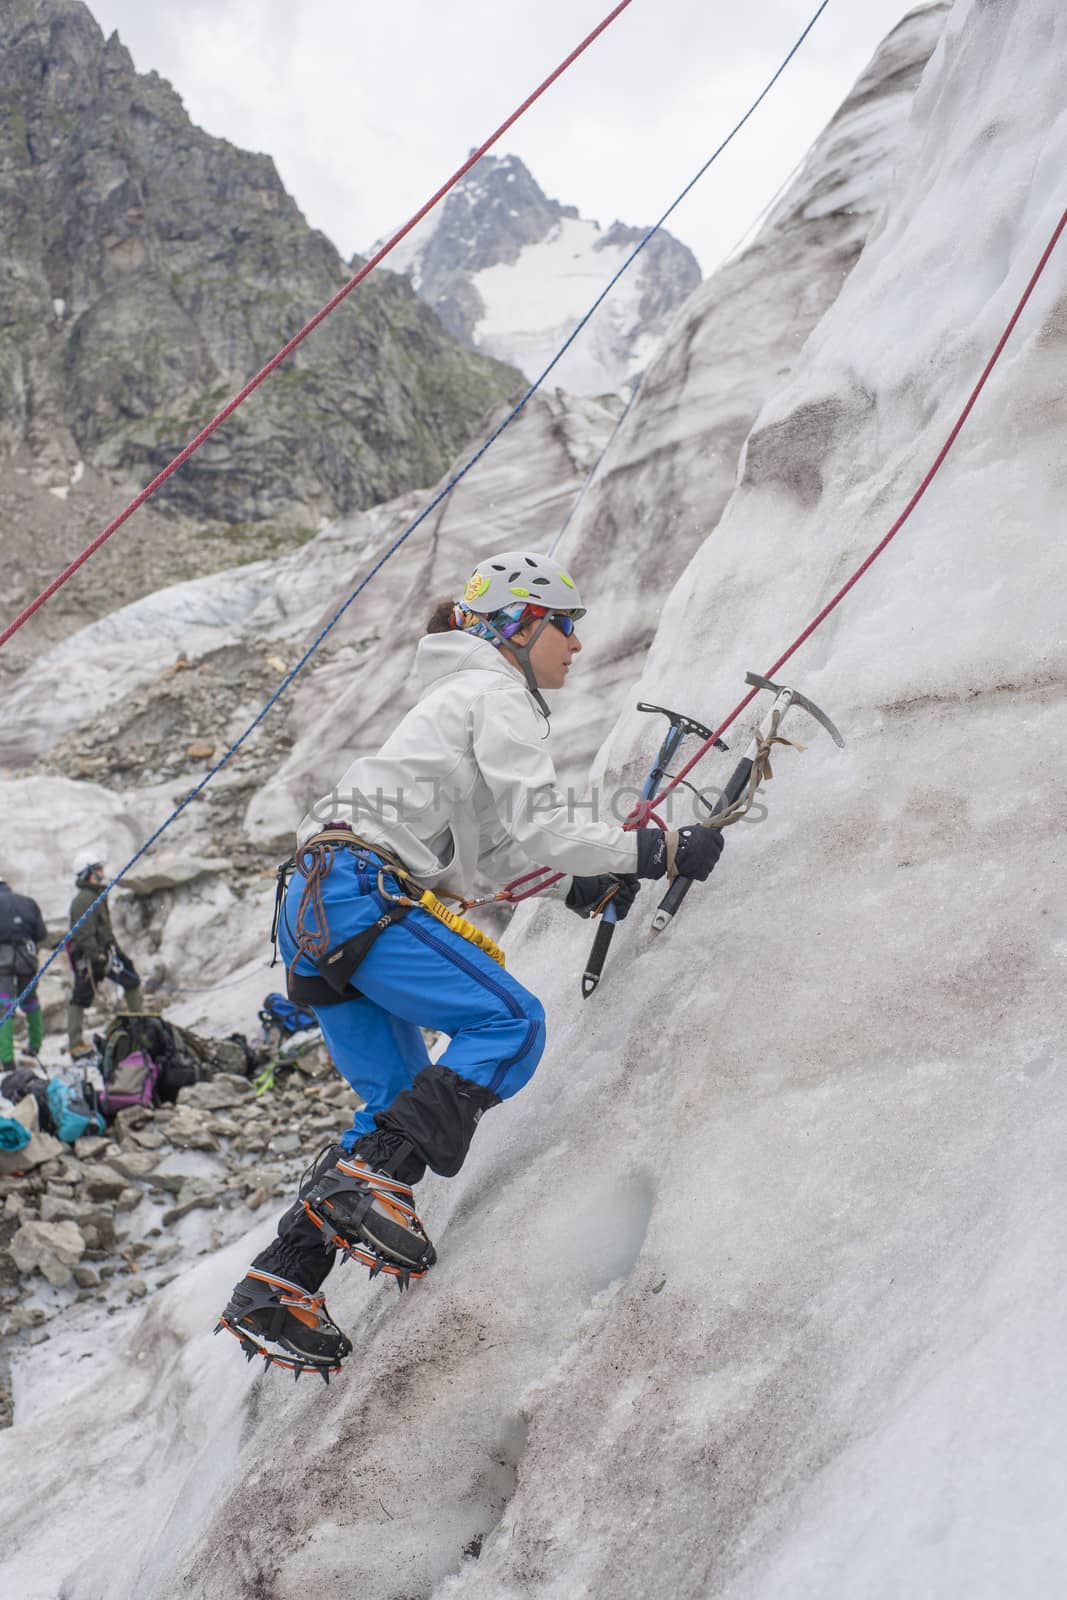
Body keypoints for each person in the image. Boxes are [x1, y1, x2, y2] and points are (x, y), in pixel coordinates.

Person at [217, 550, 724, 1376]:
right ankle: (369, 1187)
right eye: (567, 626)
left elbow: (491, 851)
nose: (577, 646)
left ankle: (280, 1284)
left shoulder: (455, 699)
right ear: (524, 627)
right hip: (357, 889)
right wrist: (657, 848)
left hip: (310, 903)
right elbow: (542, 822)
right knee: (511, 1022)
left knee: (392, 1100)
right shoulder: (494, 693)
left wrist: (578, 886)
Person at [66, 854, 144, 1059]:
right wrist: (96, 956)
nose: (102, 871)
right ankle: (75, 1044)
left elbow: (103, 928)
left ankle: (140, 1027)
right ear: (88, 872)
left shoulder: (97, 895)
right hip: (91, 955)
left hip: (104, 951)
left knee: (131, 980)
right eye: (98, 867)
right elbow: (83, 933)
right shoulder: (84, 900)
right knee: (81, 997)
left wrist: (115, 951)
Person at [0, 878, 48, 1069]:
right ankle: (35, 1045)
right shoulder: (27, 902)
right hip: (27, 959)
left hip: (2, 961)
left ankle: (7, 1059)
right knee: (30, 1000)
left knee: (4, 1007)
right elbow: (41, 934)